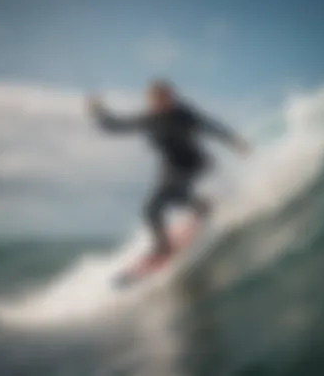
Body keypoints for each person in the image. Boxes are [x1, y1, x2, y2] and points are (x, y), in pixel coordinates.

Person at [88, 80, 252, 263]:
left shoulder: (185, 115)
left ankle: (164, 246)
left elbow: (212, 127)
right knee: (159, 206)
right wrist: (99, 113)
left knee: (156, 206)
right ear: (151, 101)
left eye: (166, 98)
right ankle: (201, 207)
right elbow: (116, 126)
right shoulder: (150, 119)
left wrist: (235, 141)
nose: (162, 103)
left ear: (171, 97)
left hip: (194, 164)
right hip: (171, 169)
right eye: (156, 100)